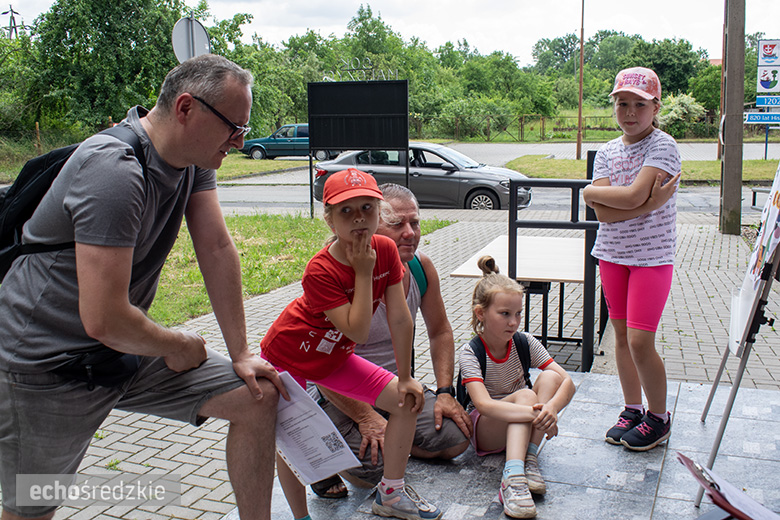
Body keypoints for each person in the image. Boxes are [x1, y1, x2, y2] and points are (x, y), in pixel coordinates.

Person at [0, 54, 288, 520]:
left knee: (256, 398)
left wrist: (240, 353)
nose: (240, 140)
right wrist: (176, 344)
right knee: (33, 507)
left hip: (120, 350)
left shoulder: (195, 161)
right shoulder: (113, 172)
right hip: (46, 365)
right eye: (233, 127)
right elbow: (105, 317)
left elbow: (215, 248)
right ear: (186, 108)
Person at [260, 169, 442, 520]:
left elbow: (401, 318)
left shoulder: (386, 249)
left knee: (407, 400)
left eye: (367, 208)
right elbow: (358, 332)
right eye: (346, 211)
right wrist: (362, 271)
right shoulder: (319, 270)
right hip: (289, 357)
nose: (359, 218)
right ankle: (302, 517)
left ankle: (390, 496)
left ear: (379, 212)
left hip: (334, 358)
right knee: (290, 444)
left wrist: (405, 376)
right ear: (328, 219)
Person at [309, 183, 472, 499]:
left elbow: (440, 331)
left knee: (456, 440)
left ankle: (393, 437)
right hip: (340, 393)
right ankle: (321, 452)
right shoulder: (331, 274)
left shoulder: (419, 267)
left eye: (415, 222)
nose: (410, 233)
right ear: (367, 224)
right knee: (375, 472)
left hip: (391, 388)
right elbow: (318, 365)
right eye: (397, 224)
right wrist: (364, 417)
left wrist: (444, 392)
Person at [582, 66, 682, 452]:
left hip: (651, 259)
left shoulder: (662, 145)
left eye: (639, 104)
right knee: (620, 337)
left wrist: (593, 194)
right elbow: (608, 213)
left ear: (655, 107)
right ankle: (632, 409)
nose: (629, 112)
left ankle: (659, 417)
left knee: (641, 341)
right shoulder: (607, 151)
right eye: (622, 103)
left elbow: (634, 194)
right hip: (612, 255)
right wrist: (609, 199)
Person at [459, 256, 575, 519]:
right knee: (525, 395)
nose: (514, 322)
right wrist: (540, 416)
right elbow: (484, 405)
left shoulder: (524, 342)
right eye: (505, 314)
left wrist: (551, 410)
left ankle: (529, 457)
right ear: (481, 314)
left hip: (525, 414)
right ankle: (511, 478)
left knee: (551, 379)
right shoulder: (471, 352)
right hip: (487, 426)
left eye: (518, 313)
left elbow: (567, 381)